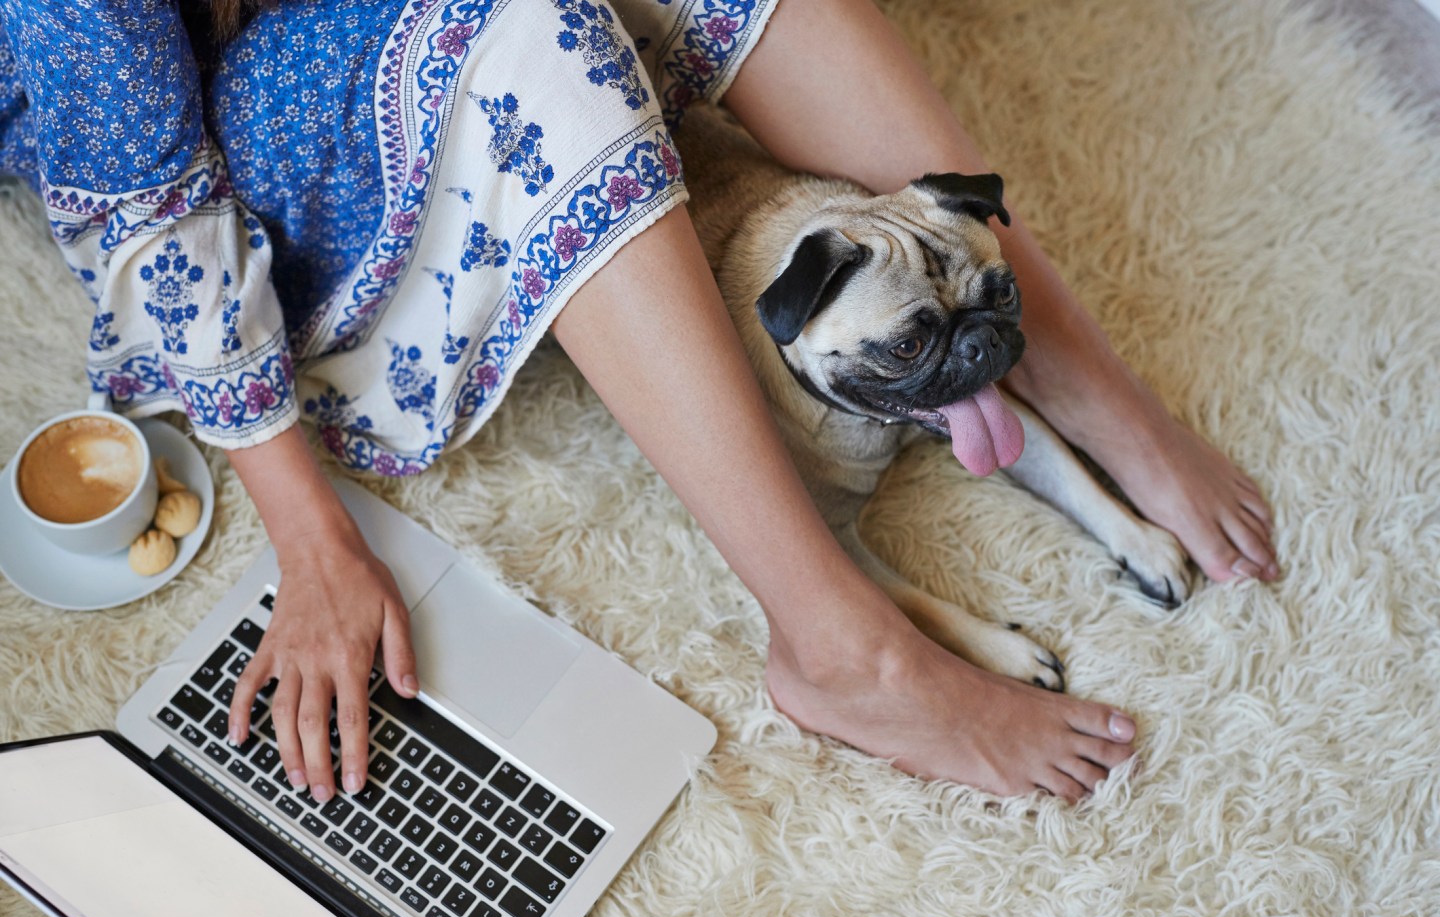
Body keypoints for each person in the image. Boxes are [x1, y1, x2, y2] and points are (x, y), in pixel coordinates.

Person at [0, 0, 1276, 804]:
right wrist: (313, 541)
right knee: (528, 25)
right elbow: (158, 215)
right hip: (217, 124)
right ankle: (837, 644)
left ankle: (1073, 373)